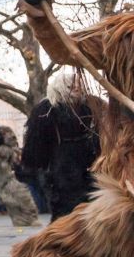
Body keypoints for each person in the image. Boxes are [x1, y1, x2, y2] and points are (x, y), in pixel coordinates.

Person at [9, 0, 134, 257]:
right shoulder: (123, 34)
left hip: (89, 158)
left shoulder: (93, 105)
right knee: (117, 217)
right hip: (121, 149)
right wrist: (39, 12)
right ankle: (54, 247)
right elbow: (68, 49)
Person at [22, 68, 100, 221]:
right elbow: (36, 140)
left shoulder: (89, 106)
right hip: (61, 162)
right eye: (71, 86)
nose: (77, 88)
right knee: (65, 205)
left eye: (79, 85)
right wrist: (40, 165)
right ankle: (62, 237)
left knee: (90, 202)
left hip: (87, 160)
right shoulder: (47, 109)